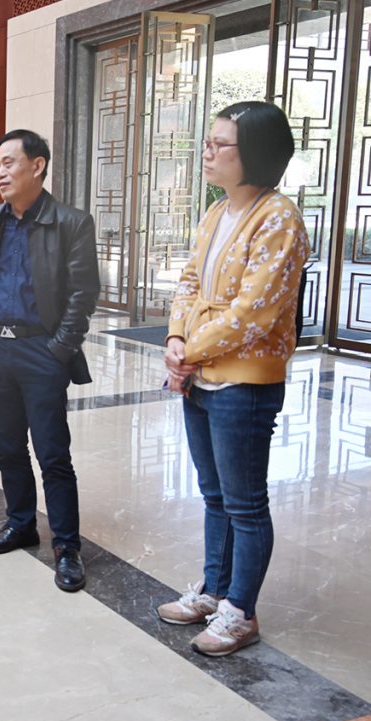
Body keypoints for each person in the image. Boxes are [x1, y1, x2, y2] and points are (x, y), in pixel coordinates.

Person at [158, 102, 310, 657]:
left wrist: (189, 352)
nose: (207, 152)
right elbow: (189, 282)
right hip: (200, 374)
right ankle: (215, 589)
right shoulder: (216, 212)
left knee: (245, 504)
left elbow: (254, 313)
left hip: (243, 384)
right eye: (209, 142)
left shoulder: (279, 218)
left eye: (220, 145)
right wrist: (176, 338)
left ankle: (240, 611)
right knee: (214, 494)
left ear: (256, 155)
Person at [0, 130, 99, 592]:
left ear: (37, 166)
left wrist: (58, 349)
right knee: (7, 449)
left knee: (52, 454)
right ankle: (20, 524)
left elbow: (84, 294)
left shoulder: (71, 223)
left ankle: (66, 546)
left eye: (8, 163)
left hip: (42, 350)